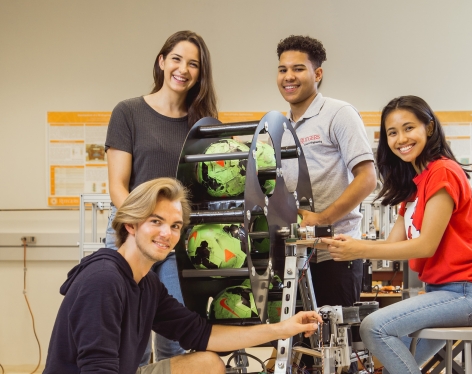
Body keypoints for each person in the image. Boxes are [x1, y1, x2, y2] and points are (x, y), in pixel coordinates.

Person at [44, 177, 321, 374]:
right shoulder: (103, 280)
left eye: (175, 225)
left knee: (207, 364)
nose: (167, 234)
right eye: (156, 221)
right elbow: (97, 367)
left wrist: (282, 329)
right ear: (130, 224)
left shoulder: (146, 284)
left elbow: (201, 334)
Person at [322, 95, 472, 374]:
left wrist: (359, 249)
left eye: (408, 128)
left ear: (428, 128)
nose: (401, 138)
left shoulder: (443, 172)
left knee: (374, 328)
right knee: (392, 360)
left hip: (467, 293)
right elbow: (392, 245)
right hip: (441, 292)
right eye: (392, 133)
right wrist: (344, 243)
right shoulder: (415, 188)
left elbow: (425, 246)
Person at [104, 30, 217, 364]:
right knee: (129, 341)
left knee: (175, 339)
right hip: (132, 237)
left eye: (193, 64)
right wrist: (144, 228)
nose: (183, 69)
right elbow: (117, 186)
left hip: (177, 245)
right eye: (177, 59)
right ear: (162, 62)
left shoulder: (204, 125)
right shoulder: (128, 112)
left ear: (200, 73)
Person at [275, 35, 377, 372]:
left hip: (335, 254)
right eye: (283, 69)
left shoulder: (338, 114)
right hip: (294, 257)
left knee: (334, 355)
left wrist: (321, 217)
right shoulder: (279, 127)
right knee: (300, 353)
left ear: (317, 74)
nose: (289, 76)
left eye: (298, 68)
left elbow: (366, 178)